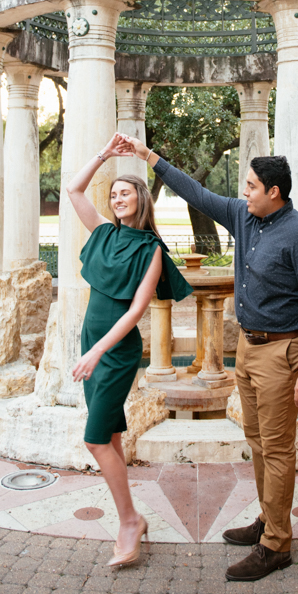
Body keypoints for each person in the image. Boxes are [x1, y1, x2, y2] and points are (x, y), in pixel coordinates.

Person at [121, 137, 298, 582]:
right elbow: (196, 194)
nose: (245, 192)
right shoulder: (244, 217)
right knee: (258, 444)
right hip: (248, 350)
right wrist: (149, 157)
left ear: (274, 192)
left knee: (277, 450)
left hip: (284, 353)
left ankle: (277, 545)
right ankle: (269, 520)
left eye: (252, 185)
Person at [67, 133, 192, 568]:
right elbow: (73, 189)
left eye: (125, 193)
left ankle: (128, 521)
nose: (118, 199)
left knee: (95, 440)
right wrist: (104, 153)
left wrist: (98, 351)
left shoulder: (151, 249)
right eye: (114, 194)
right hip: (92, 345)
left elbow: (137, 310)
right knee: (112, 438)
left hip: (115, 352)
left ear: (141, 199)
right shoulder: (102, 233)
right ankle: (130, 517)